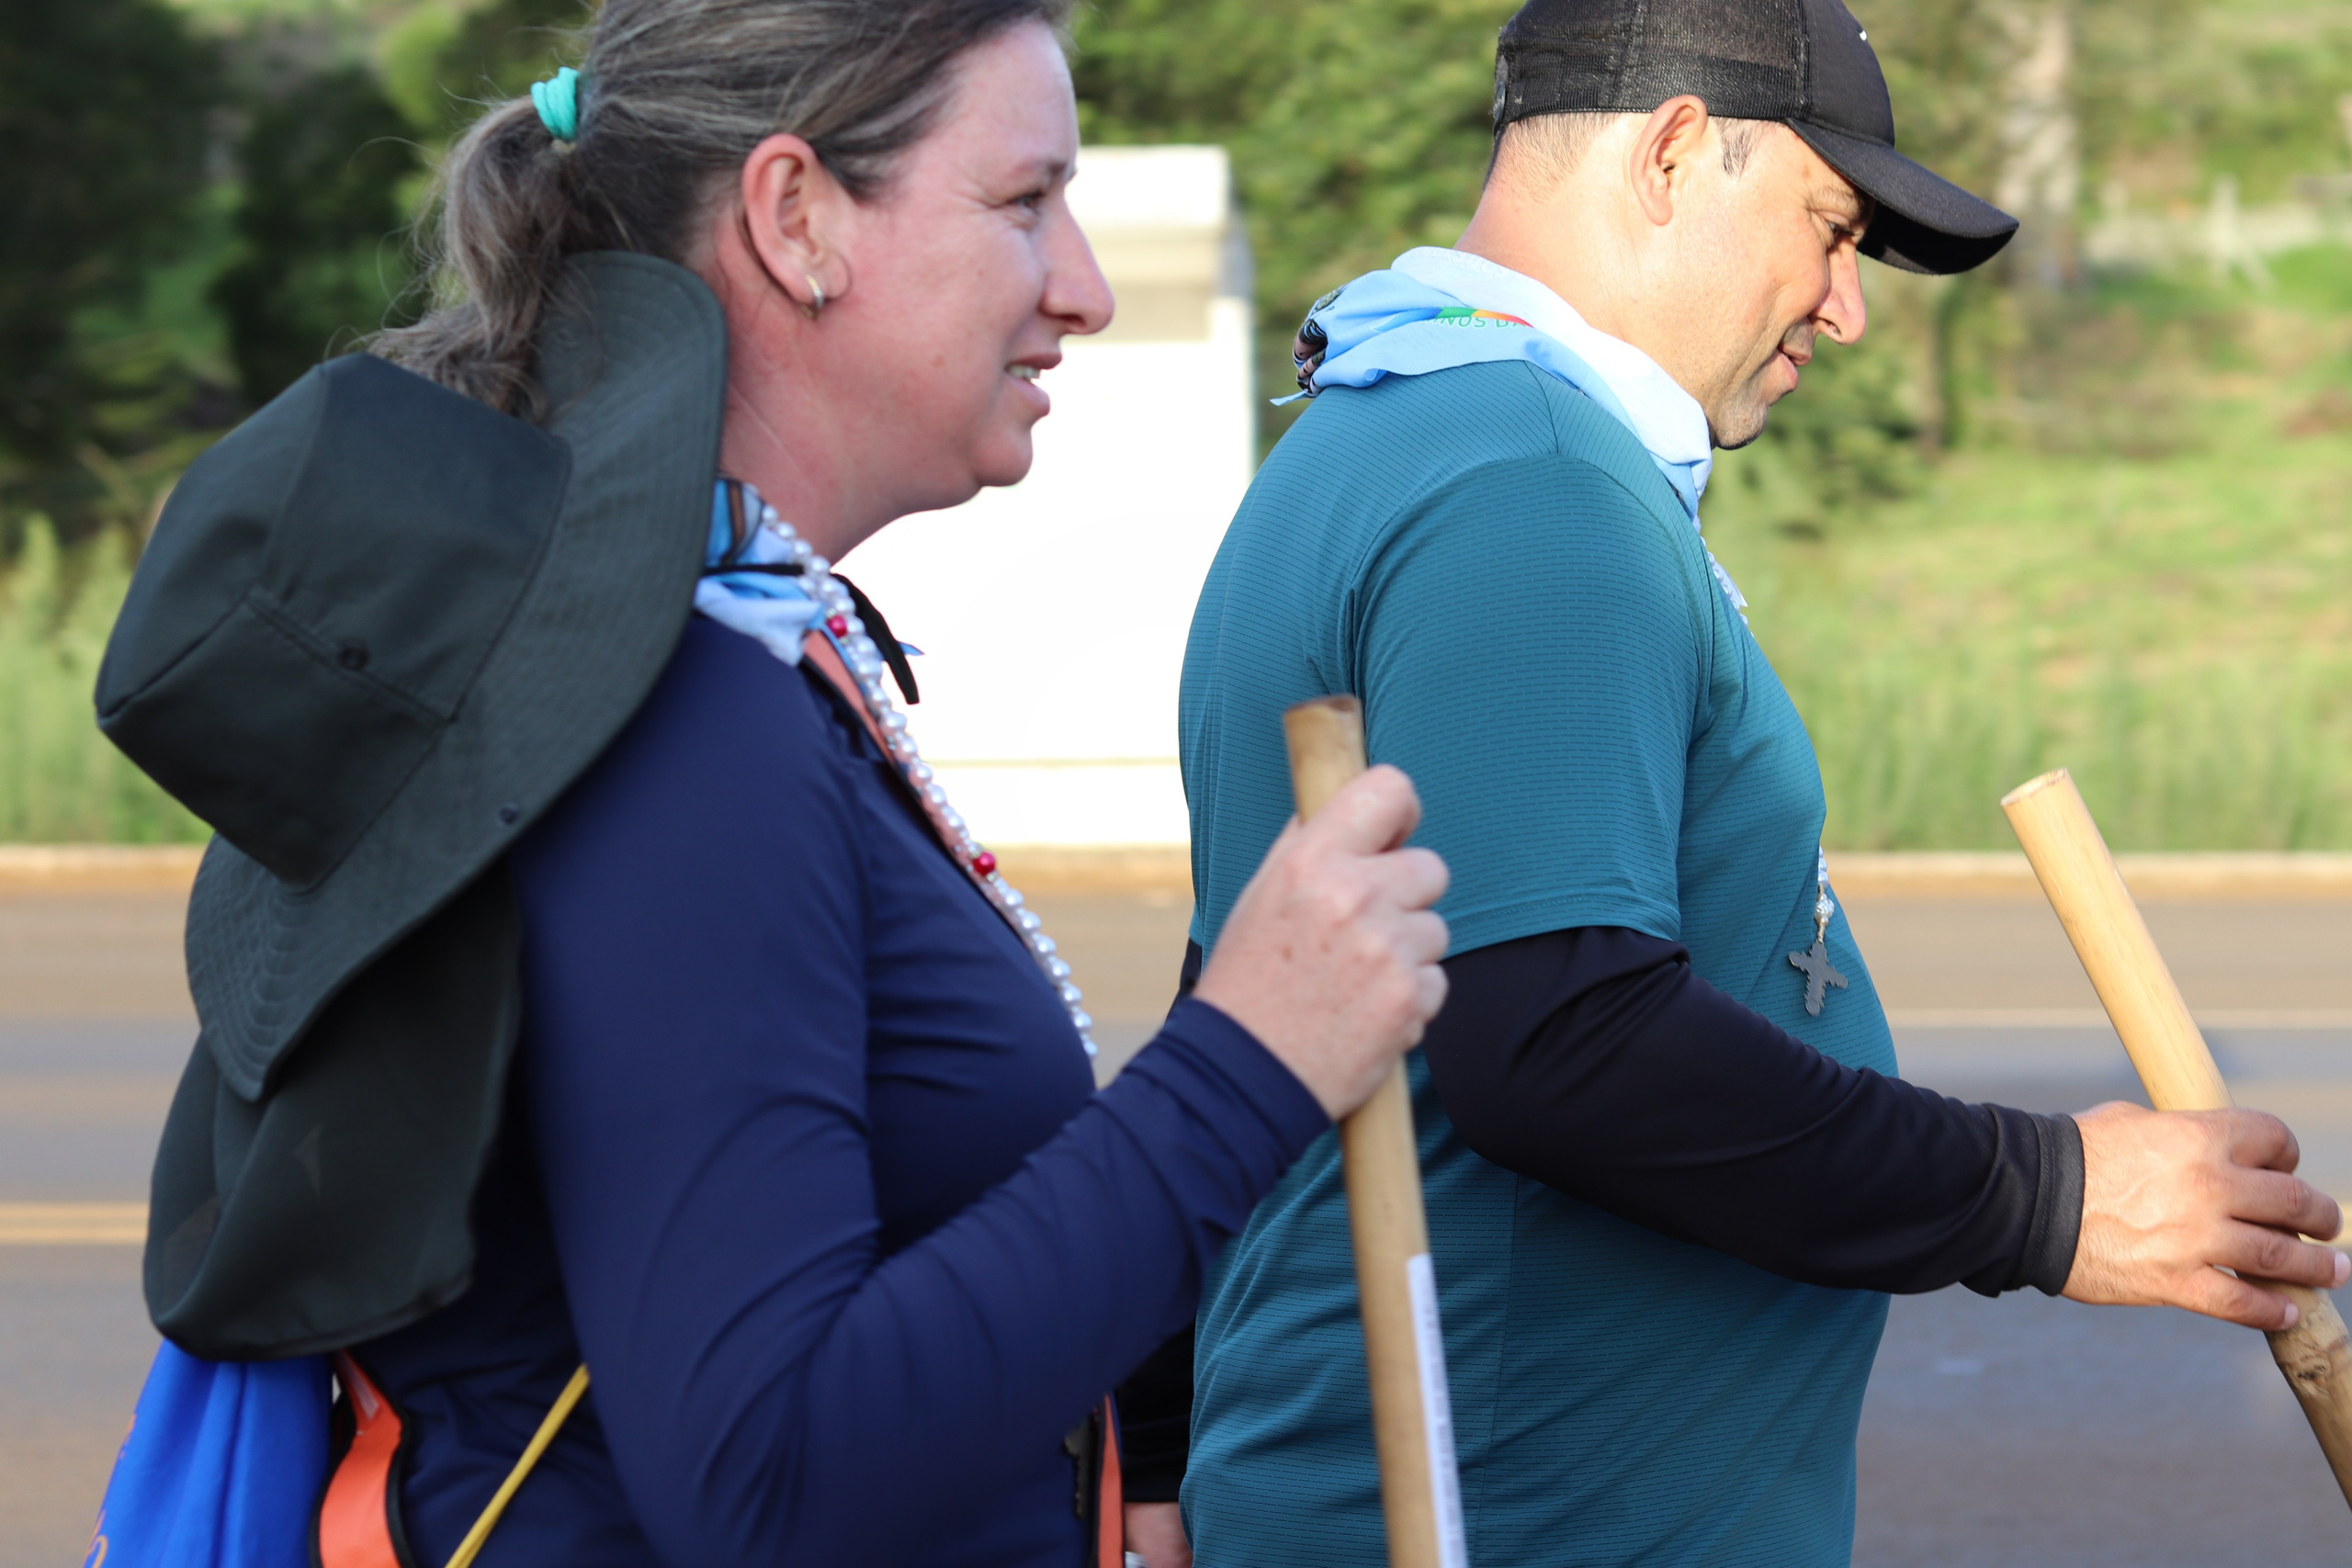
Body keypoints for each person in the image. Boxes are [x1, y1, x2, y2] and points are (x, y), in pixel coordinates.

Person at [91, 4, 1453, 1565]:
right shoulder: (678, 714)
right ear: (795, 217)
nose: (1080, 289)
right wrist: (1249, 1061)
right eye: (1023, 203)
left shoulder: (715, 648)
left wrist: (1128, 1417)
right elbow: (764, 1470)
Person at [1146, 0, 2351, 1563]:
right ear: (1674, 150)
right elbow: (1563, 1042)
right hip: (1529, 1522)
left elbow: (1222, 1008)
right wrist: (2051, 1196)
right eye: (1830, 230)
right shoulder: (1535, 480)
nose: (1844, 310)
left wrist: (1165, 1438)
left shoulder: (1365, 434)